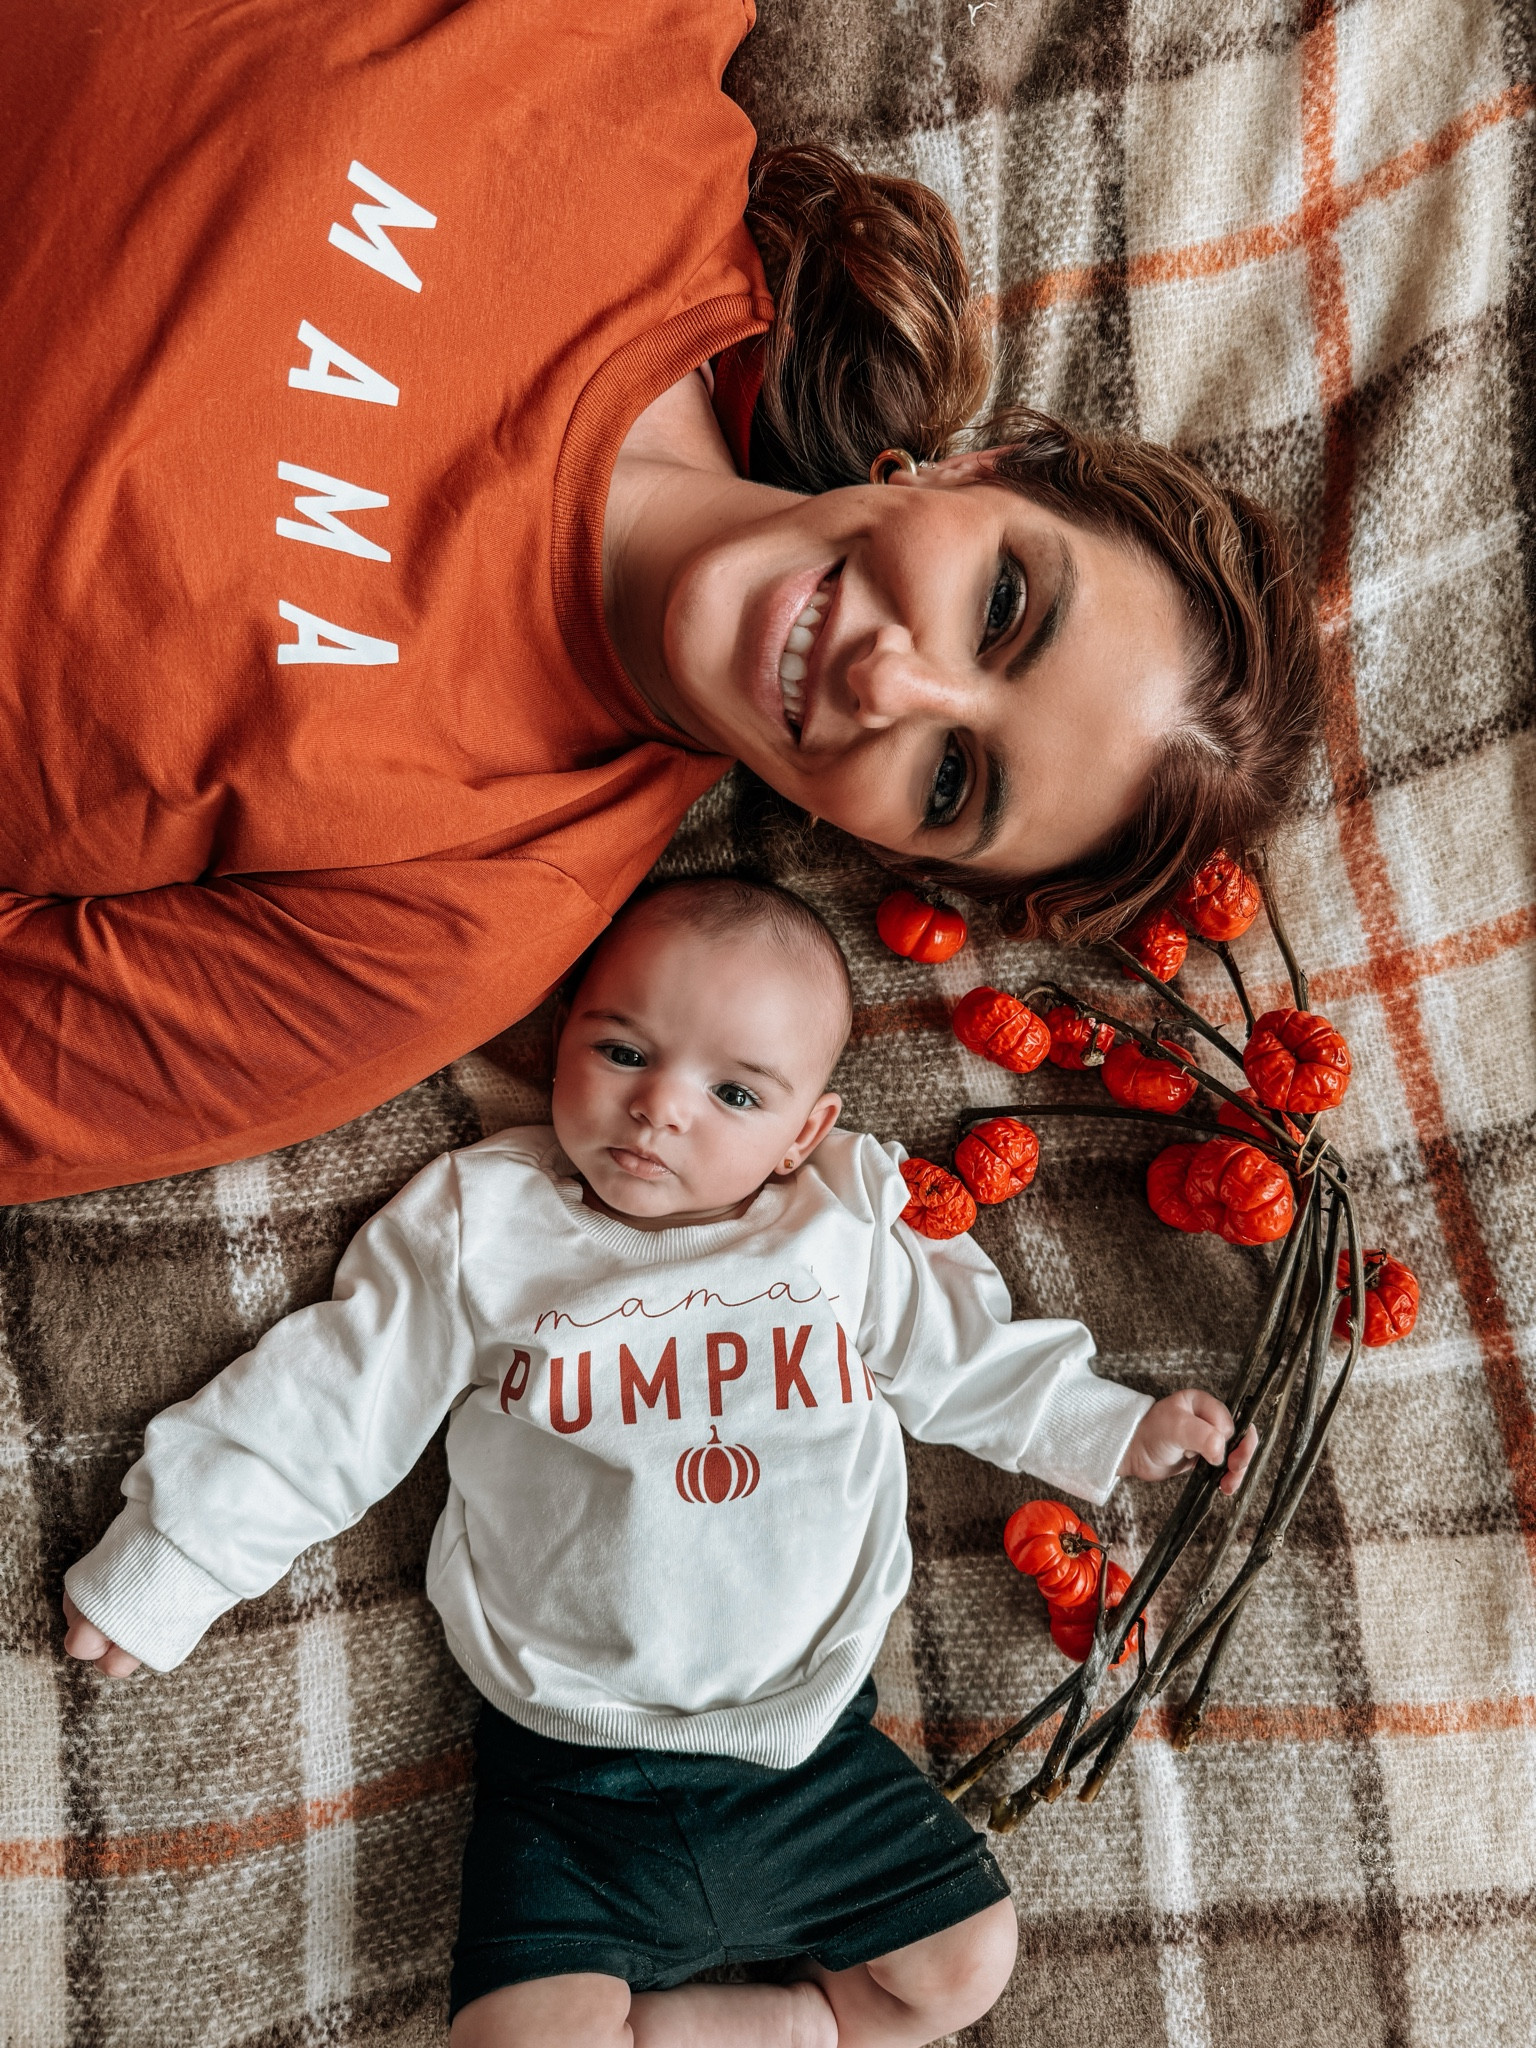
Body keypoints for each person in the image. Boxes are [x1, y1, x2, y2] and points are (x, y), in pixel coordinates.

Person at [0, 0, 1321, 1206]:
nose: (891, 684)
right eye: (1000, 608)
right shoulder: (616, 54)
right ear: (985, 471)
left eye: (950, 782)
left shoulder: (456, 919)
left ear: (880, 847)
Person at [62, 879, 1256, 2048]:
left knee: (965, 1963)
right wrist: (178, 1554)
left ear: (805, 1133)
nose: (658, 1107)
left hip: (810, 1743)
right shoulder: (490, 1221)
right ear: (562, 1034)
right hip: (565, 1758)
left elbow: (968, 1358)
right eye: (623, 1050)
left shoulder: (836, 1228)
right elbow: (334, 1391)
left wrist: (1109, 1426)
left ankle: (794, 2022)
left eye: (732, 1090)